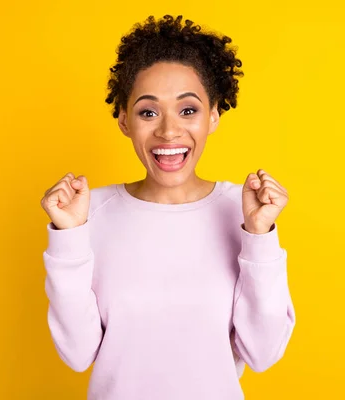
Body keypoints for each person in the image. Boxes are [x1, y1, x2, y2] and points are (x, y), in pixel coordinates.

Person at [40, 14, 296, 400]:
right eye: (148, 112)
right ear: (125, 120)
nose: (168, 131)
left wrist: (259, 238)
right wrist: (68, 238)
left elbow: (262, 354)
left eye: (188, 110)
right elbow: (77, 355)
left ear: (213, 116)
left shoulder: (243, 212)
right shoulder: (88, 213)